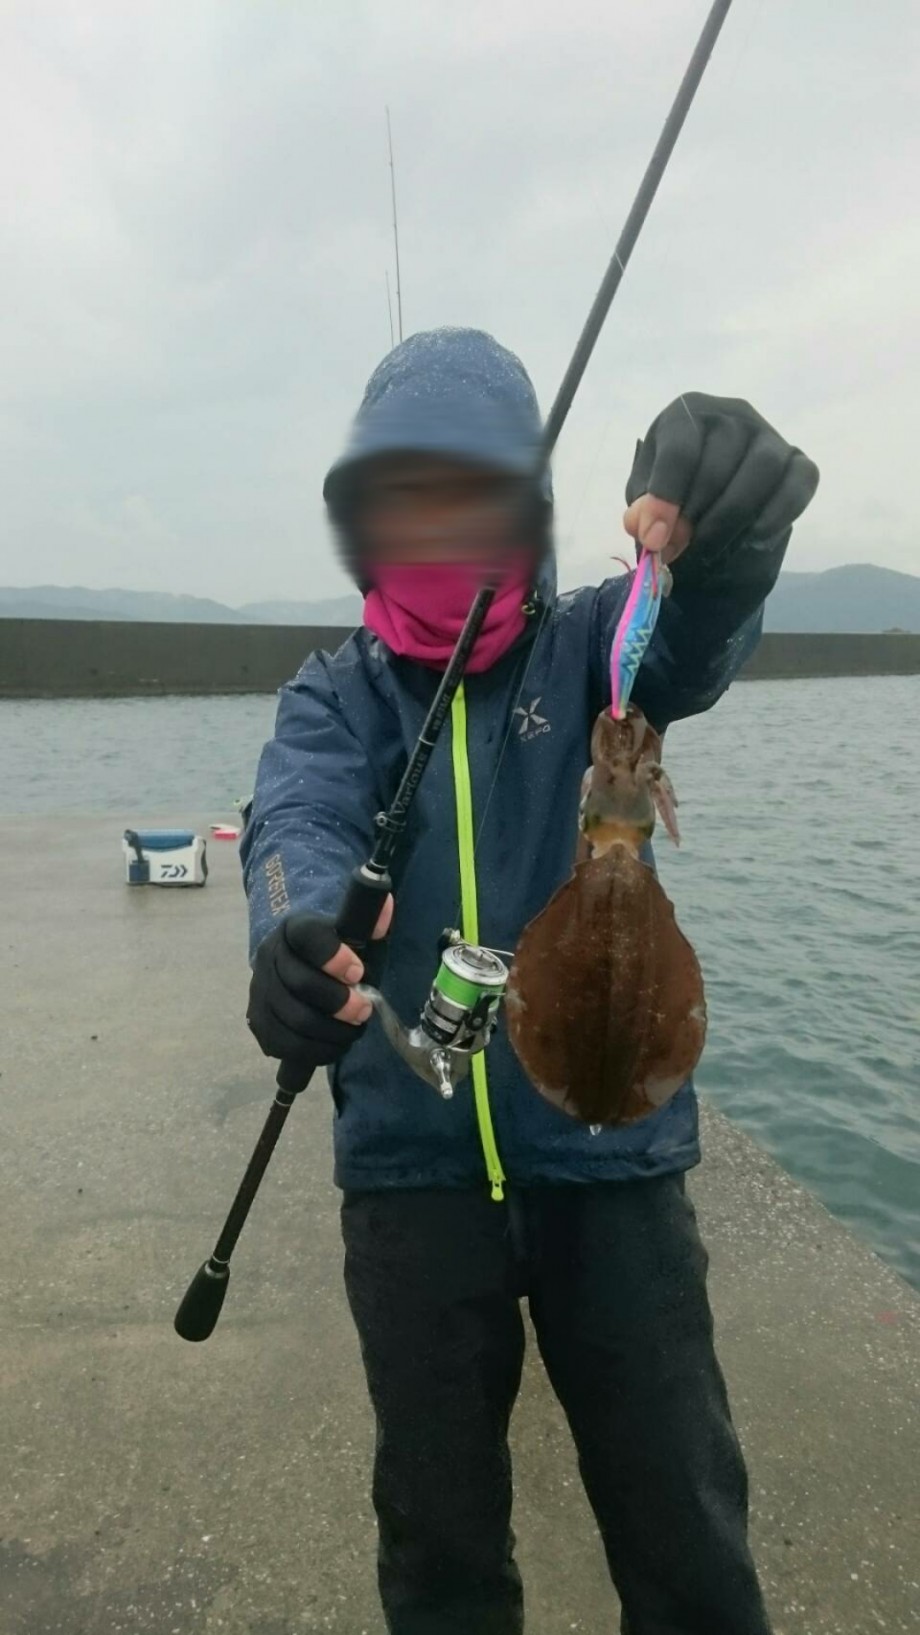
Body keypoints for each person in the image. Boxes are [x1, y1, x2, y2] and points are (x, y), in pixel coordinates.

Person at [241, 327, 818, 1635]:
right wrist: (291, 935)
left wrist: (725, 525)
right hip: (410, 1171)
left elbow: (700, 631)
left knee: (686, 1531)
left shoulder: (603, 650)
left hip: (612, 1169)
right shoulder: (337, 702)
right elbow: (295, 833)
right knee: (438, 1550)